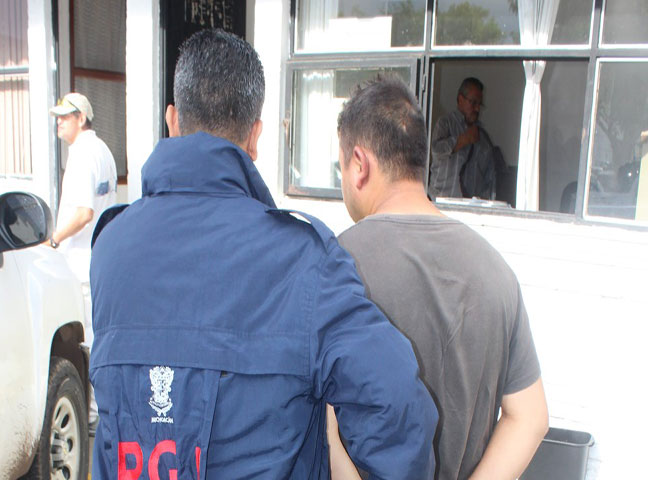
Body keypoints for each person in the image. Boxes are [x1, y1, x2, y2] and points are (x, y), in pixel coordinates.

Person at [88, 29, 437, 479]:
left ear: (172, 121)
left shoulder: (111, 247)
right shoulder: (304, 260)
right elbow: (395, 402)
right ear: (255, 137)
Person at [328, 76, 548, 480]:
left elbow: (310, 423)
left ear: (359, 164)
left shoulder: (332, 266)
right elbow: (530, 418)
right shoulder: (497, 272)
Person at [48, 92, 117, 429]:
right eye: (58, 117)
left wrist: (53, 239)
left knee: (85, 340)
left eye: (65, 117)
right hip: (100, 258)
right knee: (99, 334)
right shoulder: (103, 151)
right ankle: (100, 408)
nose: (59, 123)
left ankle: (90, 413)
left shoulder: (81, 155)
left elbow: (83, 213)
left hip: (80, 262)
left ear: (81, 118)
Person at [429, 77, 496, 200]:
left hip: (471, 207)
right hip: (442, 203)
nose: (477, 109)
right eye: (473, 103)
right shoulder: (445, 123)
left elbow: (490, 178)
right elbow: (436, 151)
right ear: (460, 99)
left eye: (479, 104)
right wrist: (463, 140)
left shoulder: (484, 138)